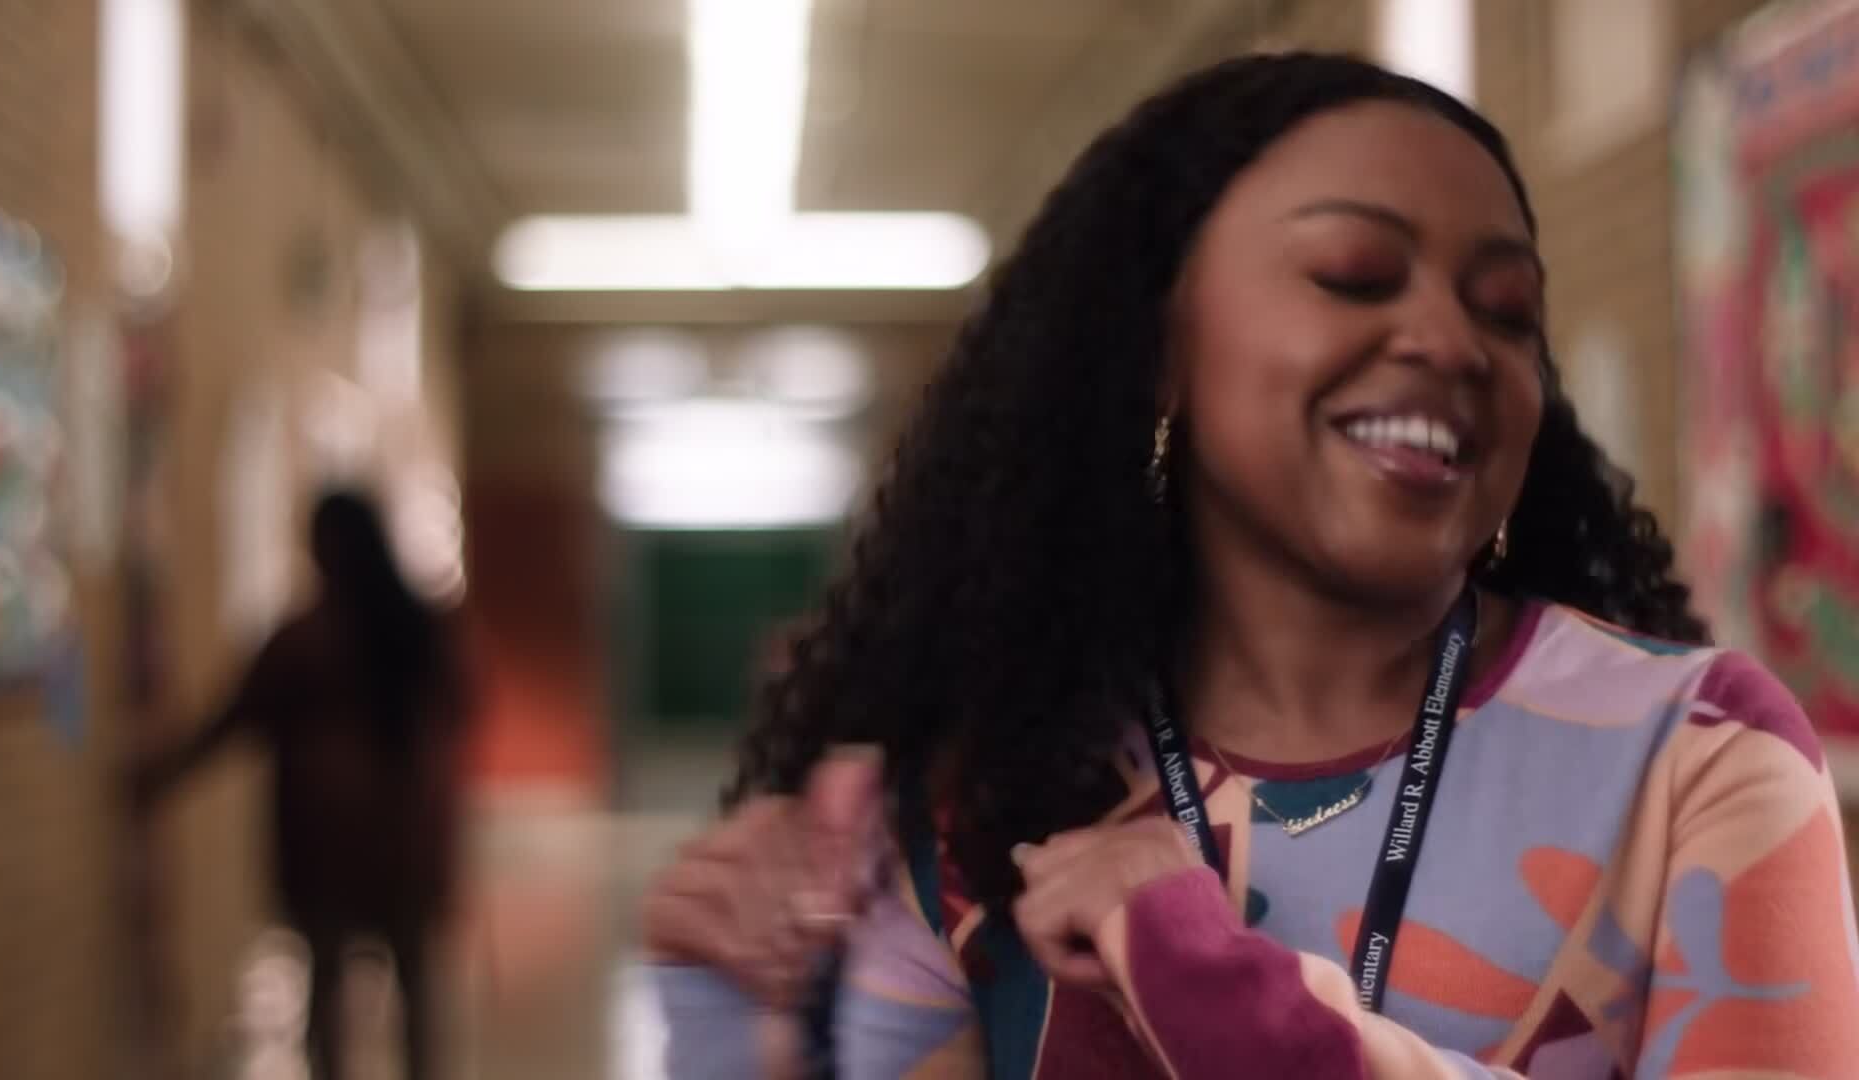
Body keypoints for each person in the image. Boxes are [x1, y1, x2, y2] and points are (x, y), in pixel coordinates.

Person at [645, 51, 1859, 1077]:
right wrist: (739, 1018)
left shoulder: (1697, 757)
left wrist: (1225, 993)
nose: (1451, 340)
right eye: (1353, 276)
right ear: (1158, 349)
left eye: (1507, 312)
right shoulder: (994, 792)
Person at [132, 489, 468, 1080]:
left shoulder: (305, 638)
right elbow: (462, 711)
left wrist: (162, 775)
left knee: (328, 982)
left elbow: (232, 719)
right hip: (405, 838)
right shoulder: (421, 630)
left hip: (325, 843)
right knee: (414, 986)